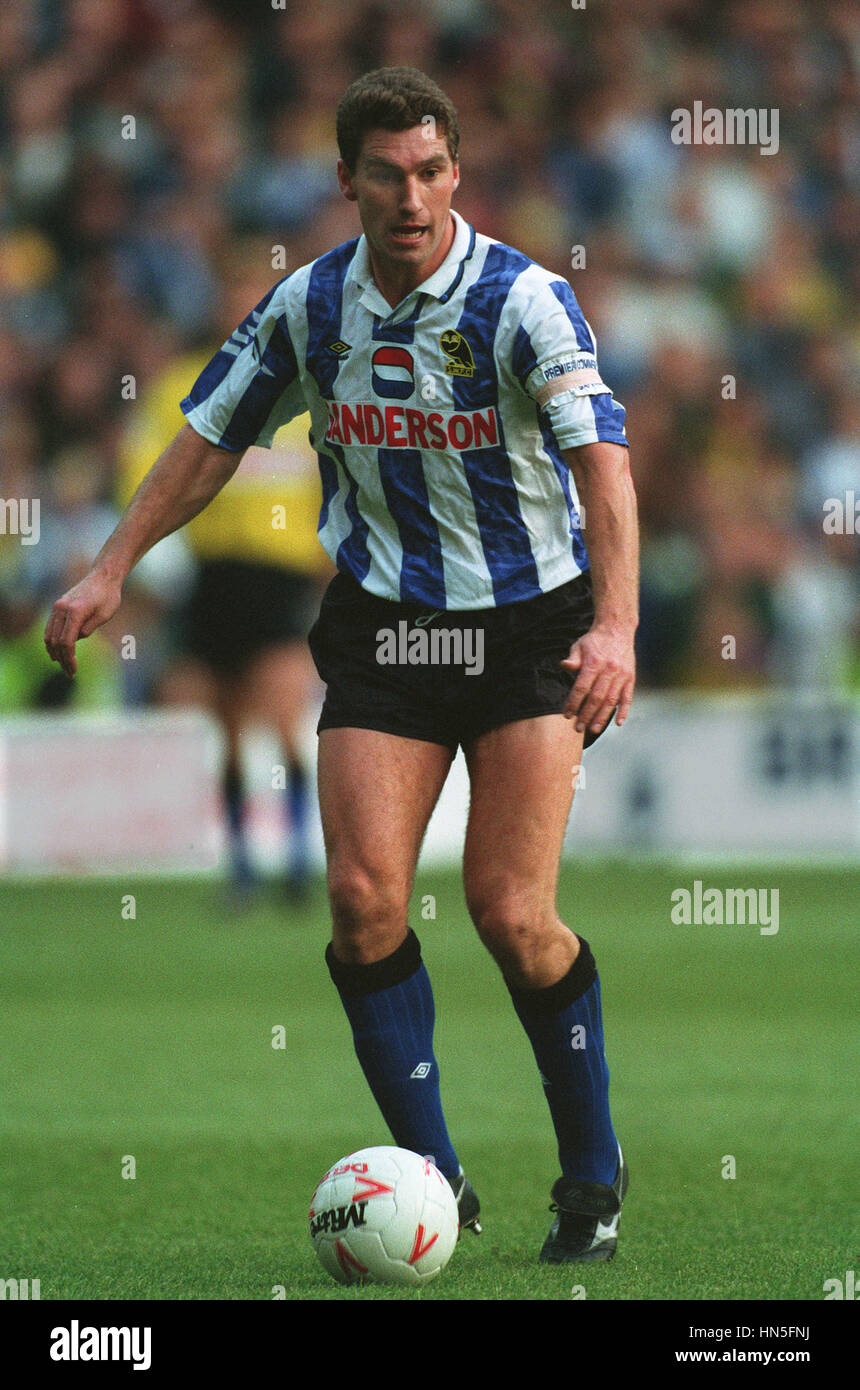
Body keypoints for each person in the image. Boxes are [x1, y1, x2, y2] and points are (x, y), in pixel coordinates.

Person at [45, 67, 639, 1264]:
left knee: (510, 915)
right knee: (365, 903)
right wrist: (110, 567)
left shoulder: (524, 300)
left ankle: (590, 1179)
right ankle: (438, 1184)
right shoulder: (309, 307)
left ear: (455, 173)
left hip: (526, 629)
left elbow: (603, 473)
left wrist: (614, 629)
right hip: (386, 625)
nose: (409, 196)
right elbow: (211, 436)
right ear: (346, 182)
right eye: (385, 173)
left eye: (428, 170)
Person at [116, 258, 332, 903]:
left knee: (284, 706)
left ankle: (296, 857)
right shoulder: (182, 386)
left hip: (282, 574)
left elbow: (339, 478)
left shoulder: (309, 388)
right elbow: (143, 477)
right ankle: (241, 863)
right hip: (213, 574)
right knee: (231, 722)